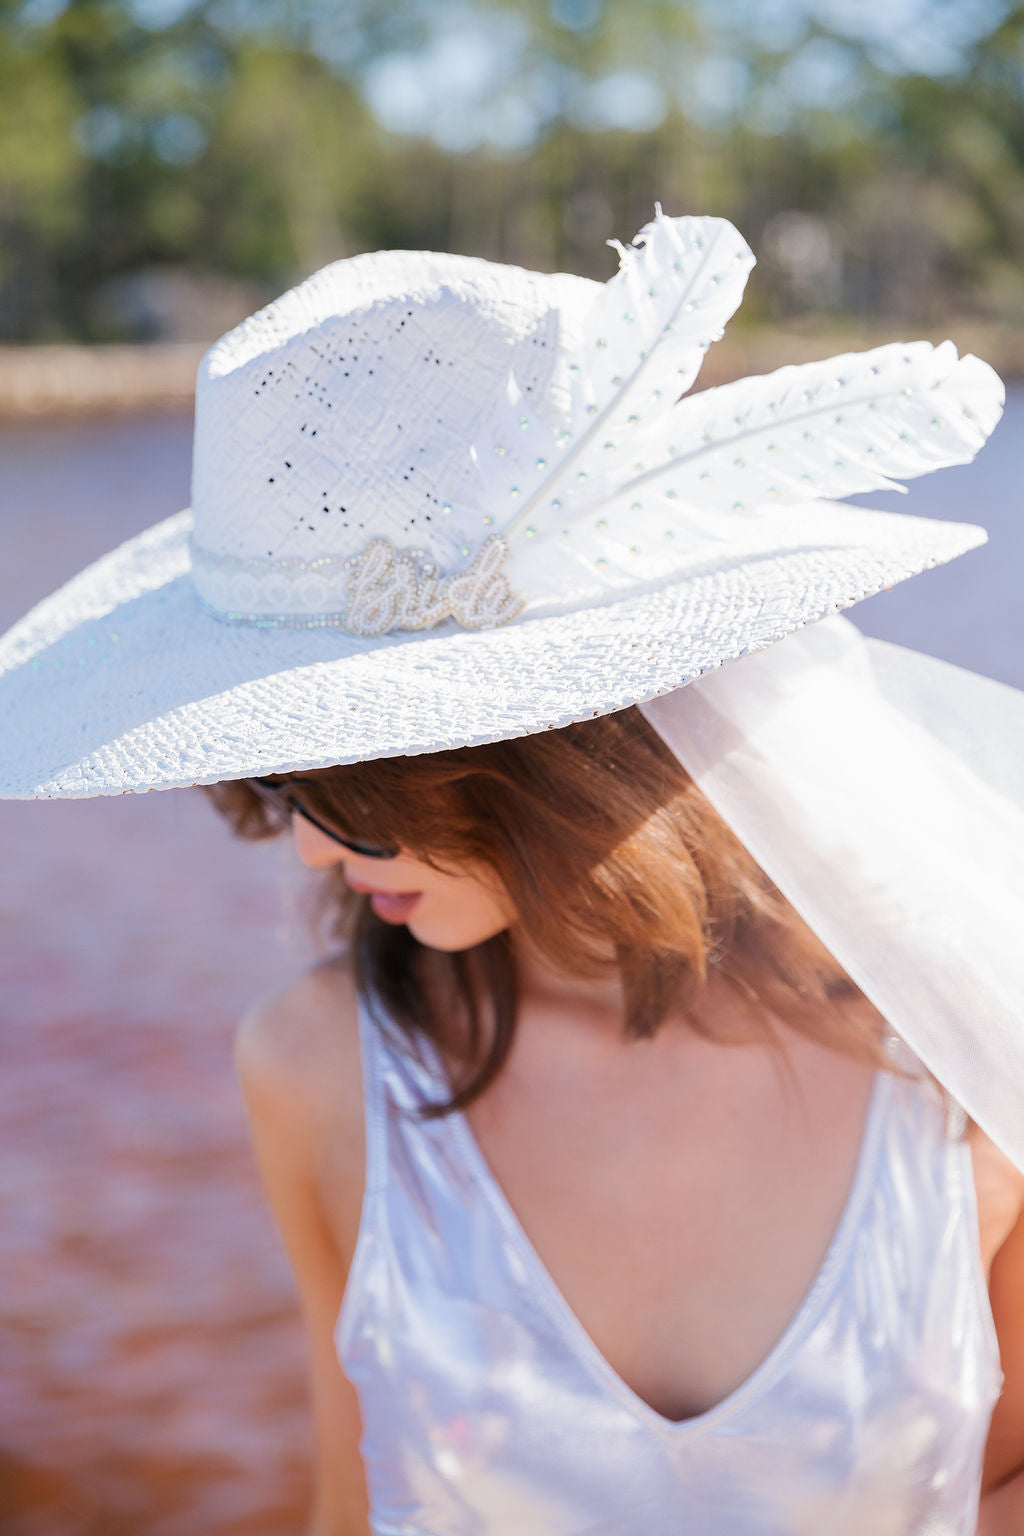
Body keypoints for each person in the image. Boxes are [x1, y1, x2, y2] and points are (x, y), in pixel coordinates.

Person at [1, 209, 1023, 1534]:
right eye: (288, 781)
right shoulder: (315, 1068)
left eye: (353, 786)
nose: (309, 843)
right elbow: (347, 1502)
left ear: (554, 747)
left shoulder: (950, 1054)